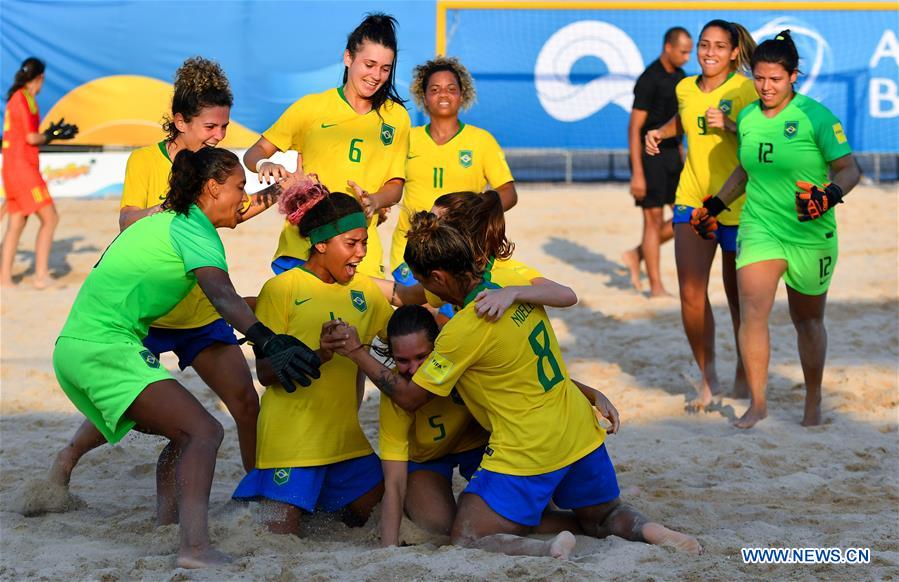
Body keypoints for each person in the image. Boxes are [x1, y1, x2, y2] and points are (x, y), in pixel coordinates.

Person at [328, 213, 702, 558]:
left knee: (466, 535)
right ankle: (647, 528)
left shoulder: (465, 328)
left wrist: (358, 352)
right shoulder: (516, 290)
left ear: (439, 278)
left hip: (528, 446)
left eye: (424, 281)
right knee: (606, 515)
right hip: (579, 430)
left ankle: (547, 550)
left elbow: (410, 396)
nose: (423, 290)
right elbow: (532, 351)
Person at [52, 147, 320, 568]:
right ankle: (194, 549)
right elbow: (222, 295)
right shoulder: (195, 231)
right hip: (103, 348)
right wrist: (268, 340)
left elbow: (218, 298)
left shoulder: (166, 221)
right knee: (204, 432)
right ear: (212, 187)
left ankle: (167, 523)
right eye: (237, 187)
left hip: (80, 346)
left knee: (185, 433)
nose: (243, 196)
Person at [48, 57, 293, 487]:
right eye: (210, 127)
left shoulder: (216, 166)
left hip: (199, 308)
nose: (219, 137)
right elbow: (127, 221)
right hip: (151, 314)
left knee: (244, 402)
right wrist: (177, 206)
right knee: (124, 400)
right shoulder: (146, 161)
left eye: (224, 128)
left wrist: (279, 190)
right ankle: (69, 456)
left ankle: (256, 492)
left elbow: (232, 215)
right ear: (180, 122)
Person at [689, 31, 860, 429]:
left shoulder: (815, 117)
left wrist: (829, 194)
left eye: (775, 80)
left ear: (793, 76)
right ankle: (759, 403)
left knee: (808, 321)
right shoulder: (747, 118)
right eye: (760, 79)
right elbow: (746, 170)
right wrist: (716, 205)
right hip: (760, 226)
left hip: (809, 233)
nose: (765, 87)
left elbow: (849, 169)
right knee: (752, 312)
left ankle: (813, 401)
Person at [377, 304, 620, 548]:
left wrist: (591, 393)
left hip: (479, 444)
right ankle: (594, 521)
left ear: (437, 348)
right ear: (391, 356)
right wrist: (387, 552)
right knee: (442, 528)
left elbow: (526, 378)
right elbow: (394, 482)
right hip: (427, 460)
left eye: (422, 356)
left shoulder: (455, 356)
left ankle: (591, 523)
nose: (415, 369)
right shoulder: (396, 394)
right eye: (402, 360)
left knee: (518, 516)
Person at [232, 180, 393, 534]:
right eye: (351, 243)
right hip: (292, 442)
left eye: (364, 242)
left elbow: (399, 341)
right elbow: (267, 373)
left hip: (345, 439)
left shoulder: (366, 290)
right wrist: (321, 353)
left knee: (384, 515)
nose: (362, 252)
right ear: (320, 243)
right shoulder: (282, 290)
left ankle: (320, 502)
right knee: (276, 539)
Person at [244, 13, 411, 278]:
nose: (376, 75)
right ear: (348, 58)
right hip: (303, 246)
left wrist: (374, 201)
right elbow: (255, 152)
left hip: (359, 252)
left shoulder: (396, 117)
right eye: (369, 64)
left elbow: (395, 186)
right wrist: (266, 164)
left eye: (385, 68)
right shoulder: (311, 108)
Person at [645, 20, 757, 410]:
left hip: (737, 203)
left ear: (733, 53)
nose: (709, 52)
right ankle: (708, 380)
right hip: (691, 198)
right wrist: (661, 131)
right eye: (704, 45)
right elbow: (687, 117)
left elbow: (762, 138)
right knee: (691, 295)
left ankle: (747, 368)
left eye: (719, 46)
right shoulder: (684, 87)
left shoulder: (746, 88)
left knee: (739, 299)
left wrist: (729, 125)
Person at [389, 56, 516, 286]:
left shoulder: (481, 140)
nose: (443, 94)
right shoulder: (408, 138)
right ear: (423, 96)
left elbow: (508, 192)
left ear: (462, 94)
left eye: (451, 88)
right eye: (435, 89)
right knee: (421, 317)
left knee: (455, 318)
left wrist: (474, 212)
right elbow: (388, 182)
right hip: (411, 249)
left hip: (463, 249)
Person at [622, 27, 692, 297]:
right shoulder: (649, 79)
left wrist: (684, 157)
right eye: (683, 51)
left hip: (673, 154)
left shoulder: (682, 78)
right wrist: (637, 173)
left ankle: (636, 254)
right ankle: (656, 286)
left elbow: (680, 125)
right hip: (649, 155)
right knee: (652, 221)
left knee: (684, 216)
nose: (687, 57)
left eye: (689, 52)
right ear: (668, 47)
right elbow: (634, 128)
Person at [1, 57, 78, 288]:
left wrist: (50, 134)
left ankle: (4, 279)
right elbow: (31, 138)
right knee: (50, 218)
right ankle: (41, 276)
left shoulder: (23, 98)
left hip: (15, 167)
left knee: (16, 222)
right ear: (40, 77)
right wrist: (53, 136)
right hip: (22, 169)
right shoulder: (22, 98)